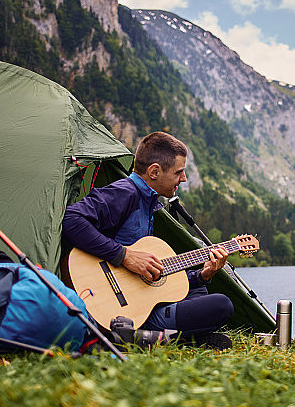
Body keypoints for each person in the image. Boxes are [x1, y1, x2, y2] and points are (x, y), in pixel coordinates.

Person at [62, 131, 234, 349]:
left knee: (199, 290)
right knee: (221, 306)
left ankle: (150, 338)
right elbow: (72, 219)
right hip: (113, 306)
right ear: (154, 171)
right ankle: (148, 337)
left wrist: (203, 274)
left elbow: (152, 279)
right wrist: (123, 255)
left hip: (137, 301)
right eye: (179, 172)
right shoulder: (124, 192)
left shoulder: (146, 203)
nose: (184, 179)